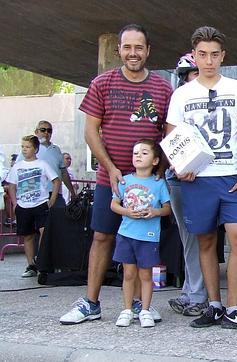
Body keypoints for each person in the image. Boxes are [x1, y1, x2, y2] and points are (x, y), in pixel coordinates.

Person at [60, 24, 173, 325]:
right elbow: (90, 131)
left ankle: (138, 305)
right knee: (102, 235)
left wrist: (159, 173)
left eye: (139, 47)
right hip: (111, 179)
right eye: (127, 47)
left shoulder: (164, 89)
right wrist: (110, 169)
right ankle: (90, 303)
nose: (133, 53)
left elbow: (170, 135)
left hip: (148, 182)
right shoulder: (102, 83)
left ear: (148, 51)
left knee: (140, 244)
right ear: (119, 50)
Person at [166, 26, 237, 332]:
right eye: (202, 54)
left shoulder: (236, 89)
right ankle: (214, 305)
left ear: (223, 56)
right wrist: (181, 165)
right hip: (198, 180)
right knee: (206, 241)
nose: (208, 60)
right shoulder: (182, 94)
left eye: (214, 54)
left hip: (232, 176)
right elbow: (172, 137)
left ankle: (234, 310)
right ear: (194, 55)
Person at [166, 52, 210, 317]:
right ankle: (191, 291)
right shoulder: (178, 100)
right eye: (185, 76)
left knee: (200, 237)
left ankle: (197, 293)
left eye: (192, 74)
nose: (188, 80)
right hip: (179, 177)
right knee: (189, 238)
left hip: (208, 176)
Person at [110, 139, 171, 328]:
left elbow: (167, 208)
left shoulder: (159, 183)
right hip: (127, 234)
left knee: (146, 275)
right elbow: (114, 204)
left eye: (144, 153)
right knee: (128, 274)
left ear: (155, 160)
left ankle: (145, 310)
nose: (138, 156)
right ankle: (127, 309)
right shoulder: (125, 180)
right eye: (135, 153)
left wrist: (155, 212)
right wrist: (127, 211)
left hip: (148, 236)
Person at [6, 135, 61, 277]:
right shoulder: (18, 167)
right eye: (22, 147)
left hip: (41, 203)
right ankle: (31, 265)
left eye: (28, 147)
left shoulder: (42, 164)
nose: (24, 150)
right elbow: (11, 186)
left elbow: (56, 181)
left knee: (44, 231)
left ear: (35, 149)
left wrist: (53, 198)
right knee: (28, 236)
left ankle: (42, 259)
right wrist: (15, 203)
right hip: (23, 205)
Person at [17, 121, 76, 208]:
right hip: (36, 196)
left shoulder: (56, 150)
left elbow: (64, 173)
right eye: (43, 130)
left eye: (49, 130)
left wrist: (72, 192)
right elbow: (18, 170)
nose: (46, 133)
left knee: (59, 219)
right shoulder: (30, 149)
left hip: (56, 194)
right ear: (36, 132)